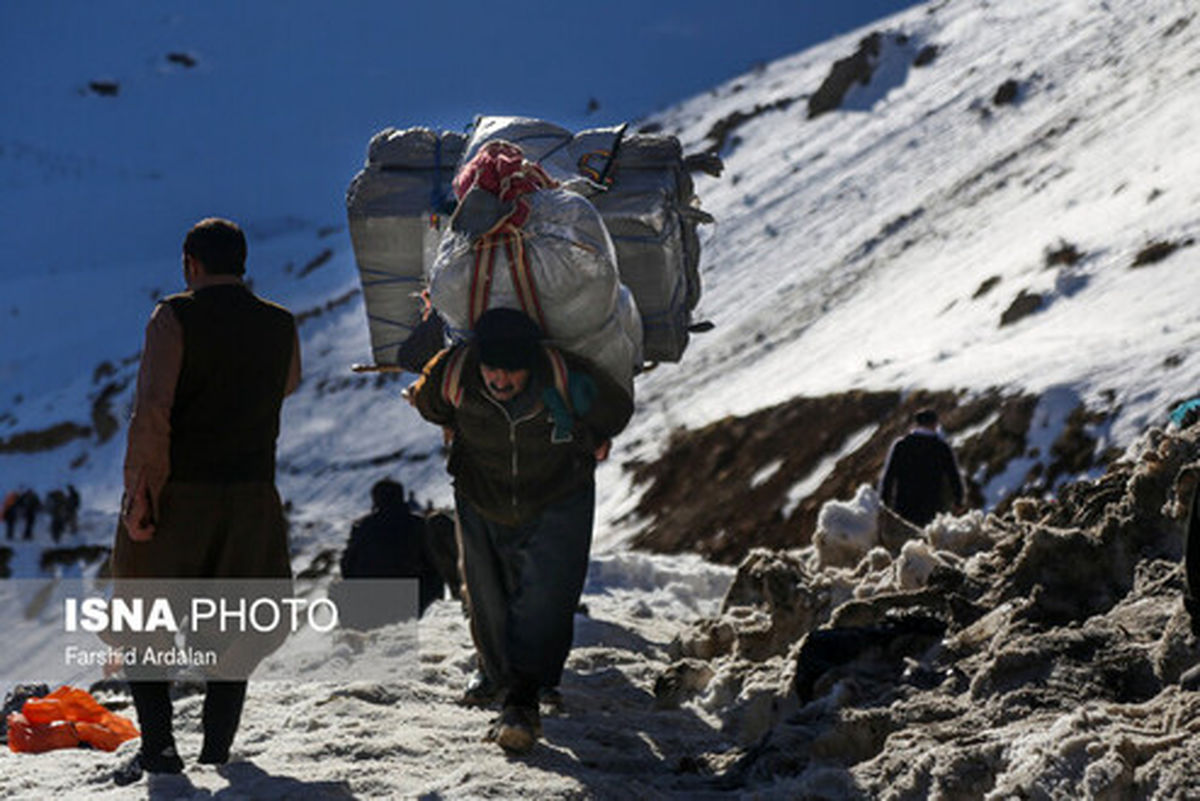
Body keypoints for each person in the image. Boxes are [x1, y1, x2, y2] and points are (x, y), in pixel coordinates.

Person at [109, 218, 301, 786]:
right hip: (251, 495)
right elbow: (286, 384)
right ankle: (217, 749)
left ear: (191, 263)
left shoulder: (174, 316)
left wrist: (141, 497)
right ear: (241, 265)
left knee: (146, 617)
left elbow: (153, 412)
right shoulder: (281, 323)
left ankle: (161, 750)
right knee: (235, 620)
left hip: (179, 491)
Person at [407, 307, 632, 754]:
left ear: (532, 364)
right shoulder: (454, 373)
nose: (501, 381)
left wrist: (594, 436)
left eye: (512, 373)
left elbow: (615, 409)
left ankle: (523, 696)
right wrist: (452, 422)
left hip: (558, 494)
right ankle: (498, 675)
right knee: (487, 595)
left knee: (547, 595)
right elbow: (427, 401)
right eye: (493, 370)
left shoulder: (566, 376)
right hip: (481, 494)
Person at [339, 477, 444, 619]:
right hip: (414, 601)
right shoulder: (417, 524)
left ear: (375, 499)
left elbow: (347, 566)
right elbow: (434, 564)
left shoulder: (363, 527)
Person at [879, 408, 965, 528]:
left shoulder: (901, 445)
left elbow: (889, 476)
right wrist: (958, 501)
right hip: (932, 505)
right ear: (935, 424)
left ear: (916, 424)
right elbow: (954, 476)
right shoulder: (942, 447)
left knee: (906, 542)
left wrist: (884, 503)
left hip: (904, 505)